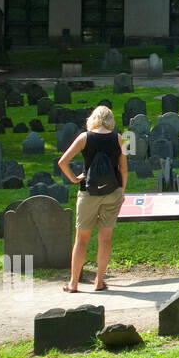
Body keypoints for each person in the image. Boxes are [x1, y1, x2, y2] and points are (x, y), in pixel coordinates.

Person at [58, 105, 127, 292]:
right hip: (112, 192)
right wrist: (122, 192)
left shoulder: (84, 138)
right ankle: (99, 280)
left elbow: (62, 162)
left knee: (81, 239)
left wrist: (75, 178)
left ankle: (73, 283)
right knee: (105, 238)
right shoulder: (119, 139)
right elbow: (123, 169)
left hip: (88, 193)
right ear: (110, 119)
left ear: (93, 119)